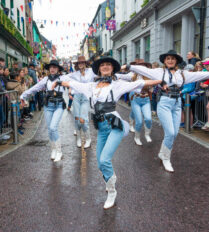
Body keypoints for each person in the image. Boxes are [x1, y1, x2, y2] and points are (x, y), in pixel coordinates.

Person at [53, 56, 162, 210]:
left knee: (105, 160)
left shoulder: (118, 85)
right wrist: (56, 82)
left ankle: (112, 191)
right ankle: (111, 178)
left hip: (114, 126)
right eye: (102, 65)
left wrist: (162, 79)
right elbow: (71, 83)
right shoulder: (90, 86)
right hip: (101, 128)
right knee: (100, 163)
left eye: (108, 65)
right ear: (98, 69)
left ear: (112, 68)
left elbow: (144, 82)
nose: (105, 67)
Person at [122, 50, 209, 173]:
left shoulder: (182, 74)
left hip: (177, 104)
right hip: (164, 104)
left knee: (175, 133)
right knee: (170, 132)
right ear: (164, 60)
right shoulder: (159, 72)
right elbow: (143, 70)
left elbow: (201, 75)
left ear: (177, 61)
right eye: (168, 58)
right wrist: (129, 66)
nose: (170, 60)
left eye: (173, 58)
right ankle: (166, 159)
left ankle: (163, 153)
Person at [20, 60, 68, 162]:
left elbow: (74, 83)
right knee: (50, 129)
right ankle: (53, 150)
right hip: (48, 106)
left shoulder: (63, 78)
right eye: (51, 67)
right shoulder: (46, 79)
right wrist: (23, 95)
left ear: (58, 69)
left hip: (59, 105)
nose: (52, 69)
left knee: (53, 127)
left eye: (55, 67)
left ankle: (59, 151)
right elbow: (35, 88)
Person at [120, 59, 153, 145]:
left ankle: (147, 134)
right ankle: (136, 137)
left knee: (148, 119)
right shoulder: (132, 75)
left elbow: (158, 80)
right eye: (139, 66)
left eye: (143, 66)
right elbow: (122, 76)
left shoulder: (149, 75)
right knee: (139, 120)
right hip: (135, 98)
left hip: (145, 99)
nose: (141, 68)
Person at [68, 56, 97, 148]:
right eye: (79, 63)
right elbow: (69, 81)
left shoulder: (91, 72)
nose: (81, 64)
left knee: (83, 120)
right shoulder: (75, 74)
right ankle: (79, 139)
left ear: (85, 63)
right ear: (77, 65)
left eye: (82, 63)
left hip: (85, 98)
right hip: (76, 97)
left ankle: (88, 139)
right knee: (77, 119)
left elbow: (99, 76)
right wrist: (70, 91)